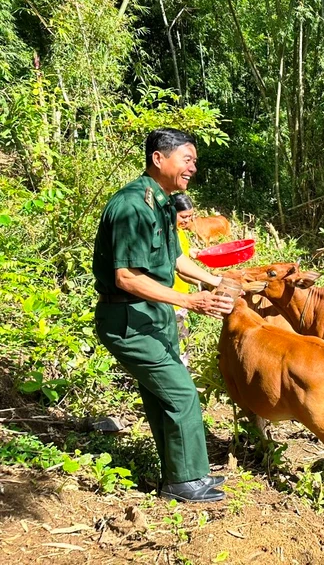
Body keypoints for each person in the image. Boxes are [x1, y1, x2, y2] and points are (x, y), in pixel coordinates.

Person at [93, 128, 235, 503]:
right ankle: (184, 482)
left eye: (194, 162)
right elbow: (126, 277)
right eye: (186, 159)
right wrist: (190, 302)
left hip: (153, 316)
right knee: (182, 393)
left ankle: (184, 474)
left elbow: (175, 260)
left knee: (162, 396)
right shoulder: (131, 206)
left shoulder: (162, 203)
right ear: (158, 158)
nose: (192, 167)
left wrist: (217, 281)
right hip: (128, 319)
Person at [171, 193, 199, 369]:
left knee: (182, 338)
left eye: (190, 216)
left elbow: (182, 254)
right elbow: (179, 266)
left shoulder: (180, 232)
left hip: (183, 295)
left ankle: (184, 371)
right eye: (183, 216)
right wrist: (202, 282)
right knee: (175, 339)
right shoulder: (168, 234)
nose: (187, 221)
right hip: (170, 297)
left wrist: (194, 252)